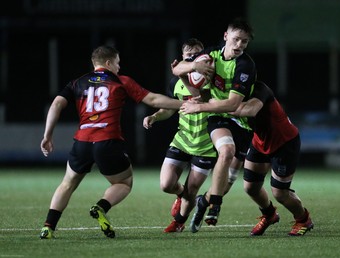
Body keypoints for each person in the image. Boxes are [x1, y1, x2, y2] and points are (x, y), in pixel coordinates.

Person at [39, 45, 183, 239]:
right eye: (117, 63)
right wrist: (185, 103)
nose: (119, 67)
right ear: (108, 63)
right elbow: (154, 100)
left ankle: (48, 227)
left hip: (82, 142)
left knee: (67, 183)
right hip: (107, 141)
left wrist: (48, 135)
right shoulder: (120, 81)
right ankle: (101, 207)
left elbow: (56, 103)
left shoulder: (78, 82)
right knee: (124, 183)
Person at [143, 38, 243, 233]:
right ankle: (181, 195)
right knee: (166, 184)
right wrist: (155, 116)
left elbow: (200, 97)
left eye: (197, 55)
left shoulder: (212, 80)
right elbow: (170, 108)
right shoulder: (175, 83)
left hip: (205, 144)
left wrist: (185, 75)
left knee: (192, 191)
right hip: (182, 139)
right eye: (189, 55)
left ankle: (179, 222)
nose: (193, 58)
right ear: (183, 58)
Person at [175, 17, 256, 232]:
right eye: (236, 39)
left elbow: (233, 103)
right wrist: (193, 65)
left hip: (242, 123)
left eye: (244, 42)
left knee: (226, 184)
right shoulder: (210, 55)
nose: (239, 45)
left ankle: (204, 202)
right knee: (226, 150)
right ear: (225, 36)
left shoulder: (245, 65)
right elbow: (177, 69)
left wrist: (200, 106)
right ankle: (215, 206)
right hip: (218, 118)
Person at [230, 80, 314, 236]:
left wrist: (219, 107)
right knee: (250, 187)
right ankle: (269, 215)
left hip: (284, 142)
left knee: (280, 193)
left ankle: (303, 219)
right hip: (260, 142)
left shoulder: (259, 88)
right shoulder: (227, 95)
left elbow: (251, 110)